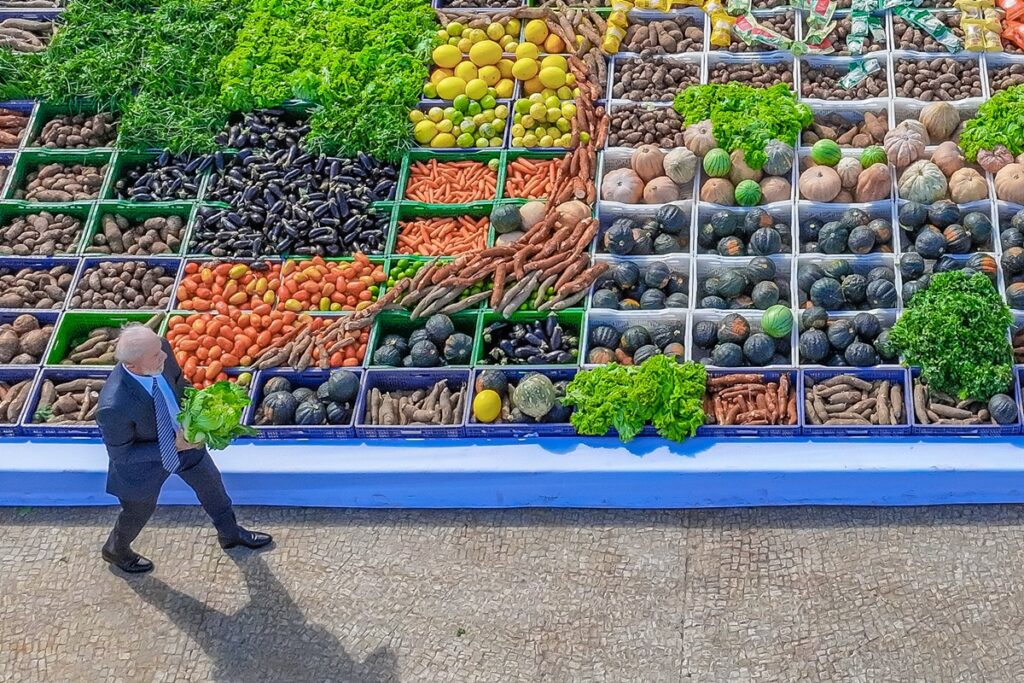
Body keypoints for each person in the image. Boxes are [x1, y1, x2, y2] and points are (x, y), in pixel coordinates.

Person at [96, 324, 271, 574]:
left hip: (186, 442)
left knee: (212, 486)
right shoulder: (113, 406)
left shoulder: (160, 351)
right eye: (156, 356)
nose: (165, 356)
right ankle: (116, 550)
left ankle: (230, 534)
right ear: (133, 366)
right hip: (144, 466)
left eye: (160, 349)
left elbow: (180, 385)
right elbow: (122, 455)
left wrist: (200, 409)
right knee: (137, 513)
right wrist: (171, 446)